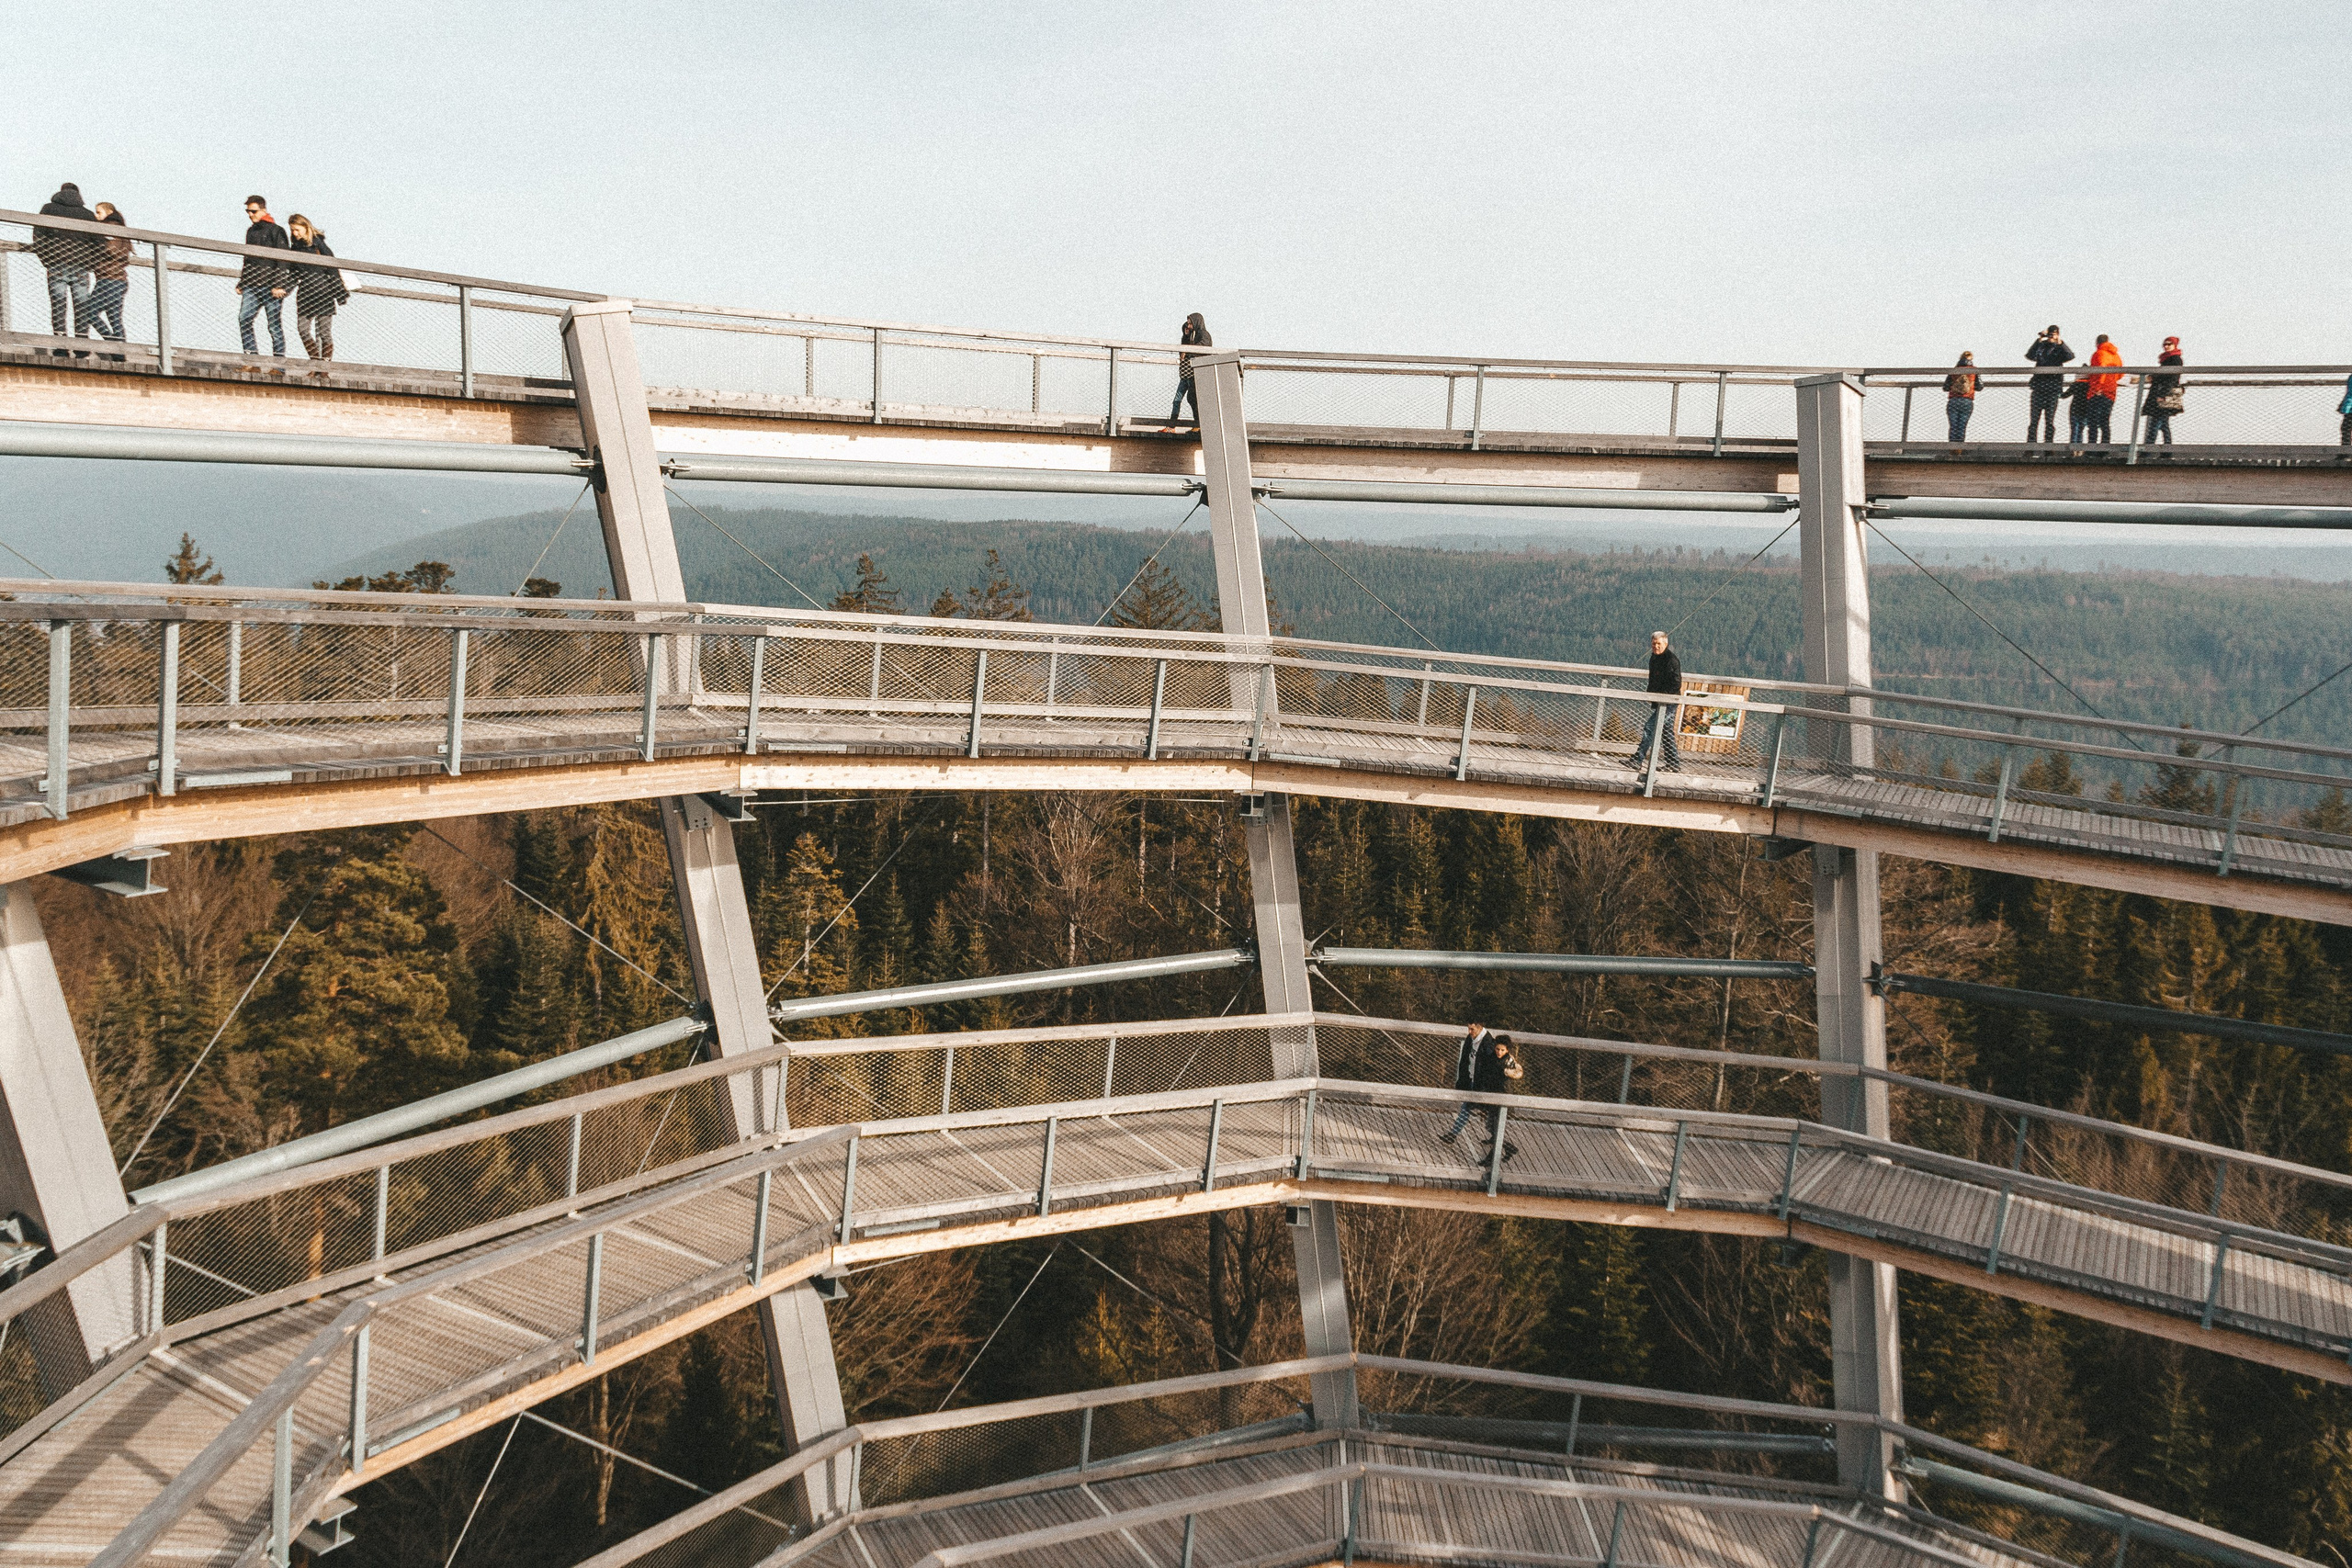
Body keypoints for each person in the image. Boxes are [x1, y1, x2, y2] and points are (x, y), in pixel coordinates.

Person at [31, 182, 99, 355]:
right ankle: (81, 345)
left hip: (57, 264)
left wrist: (47, 259)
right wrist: (90, 263)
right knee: (82, 306)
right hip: (81, 266)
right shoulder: (88, 215)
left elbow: (38, 236)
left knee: (58, 306)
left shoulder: (48, 209)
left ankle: (61, 345)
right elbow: (97, 242)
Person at [287, 214, 350, 372]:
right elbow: (293, 274)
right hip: (306, 293)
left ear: (305, 227)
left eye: (297, 230)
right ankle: (317, 365)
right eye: (292, 230)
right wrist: (284, 289)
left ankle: (323, 369)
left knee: (324, 332)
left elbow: (332, 268)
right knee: (303, 329)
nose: (295, 233)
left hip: (323, 292)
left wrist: (340, 293)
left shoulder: (318, 244)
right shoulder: (294, 248)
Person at [235, 195, 292, 365]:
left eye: (253, 211)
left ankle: (279, 365)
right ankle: (252, 361)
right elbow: (248, 258)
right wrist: (242, 282)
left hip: (271, 286)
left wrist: (280, 285)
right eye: (248, 211)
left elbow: (283, 260)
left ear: (263, 210)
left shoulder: (277, 231)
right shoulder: (251, 231)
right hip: (252, 284)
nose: (250, 214)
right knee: (244, 319)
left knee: (274, 326)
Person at [1628, 630, 1683, 775]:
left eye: (1658, 644)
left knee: (1650, 727)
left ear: (1666, 643)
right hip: (1660, 701)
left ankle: (1637, 759)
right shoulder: (1654, 658)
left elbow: (1676, 684)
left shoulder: (1671, 660)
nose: (1656, 646)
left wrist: (1663, 697)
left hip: (1669, 702)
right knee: (1665, 731)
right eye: (1653, 644)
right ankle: (1674, 763)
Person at [86, 203, 131, 360]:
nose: (96, 216)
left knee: (88, 312)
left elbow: (110, 250)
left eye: (99, 213)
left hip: (109, 279)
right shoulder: (121, 229)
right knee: (115, 319)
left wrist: (96, 245)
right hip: (118, 279)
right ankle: (120, 353)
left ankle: (114, 345)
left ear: (109, 212)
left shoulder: (110, 228)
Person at [1472, 1032, 1523, 1163]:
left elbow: (1519, 1072)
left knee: (1496, 1128)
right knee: (1490, 1126)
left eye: (1502, 1050)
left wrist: (1507, 1072)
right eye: (1497, 1049)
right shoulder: (1492, 1058)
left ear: (1507, 1050)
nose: (1499, 1052)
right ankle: (1509, 1148)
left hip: (1503, 1097)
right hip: (1493, 1097)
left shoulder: (1509, 1061)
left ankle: (1491, 1159)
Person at [1439, 1022, 1491, 1143]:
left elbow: (1488, 1068)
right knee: (1466, 1108)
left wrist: (1484, 1087)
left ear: (1480, 1028)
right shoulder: (1471, 1039)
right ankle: (1453, 1134)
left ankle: (1499, 1140)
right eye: (1468, 1029)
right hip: (1472, 1080)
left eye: (1472, 1029)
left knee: (1488, 1113)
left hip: (1482, 1084)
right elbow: (1464, 1060)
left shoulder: (1488, 1043)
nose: (1469, 1032)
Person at [2024, 326, 2074, 443]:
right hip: (2039, 388)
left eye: (2054, 334)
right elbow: (2030, 355)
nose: (2051, 337)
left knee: (2049, 421)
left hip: (2053, 389)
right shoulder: (2041, 346)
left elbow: (2070, 356)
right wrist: (2039, 340)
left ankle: (2048, 446)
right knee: (2034, 421)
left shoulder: (2059, 349)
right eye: (2050, 334)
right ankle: (2031, 446)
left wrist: (2060, 342)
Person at [2143, 337, 2184, 446]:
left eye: (2169, 344)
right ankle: (2167, 450)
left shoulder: (2174, 359)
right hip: (2162, 393)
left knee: (2155, 424)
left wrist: (2163, 394)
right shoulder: (2169, 359)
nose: (2166, 346)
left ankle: (2148, 449)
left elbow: (2172, 378)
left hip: (2163, 394)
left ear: (2174, 345)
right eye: (2164, 344)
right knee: (2163, 423)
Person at [1170, 312, 1210, 423]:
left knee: (1193, 399)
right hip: (1185, 374)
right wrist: (1186, 336)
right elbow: (1183, 352)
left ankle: (1198, 424)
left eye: (1190, 323)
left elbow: (1203, 347)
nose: (1189, 326)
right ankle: (1172, 425)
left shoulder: (1203, 334)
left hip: (1195, 374)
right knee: (1180, 400)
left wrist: (1187, 350)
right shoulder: (1190, 336)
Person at [2084, 334, 2123, 444]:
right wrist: (2112, 381)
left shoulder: (2099, 353)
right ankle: (2104, 448)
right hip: (2111, 391)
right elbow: (2121, 373)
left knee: (2092, 422)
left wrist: (2098, 387)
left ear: (2097, 343)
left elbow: (2101, 369)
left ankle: (2092, 448)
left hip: (2098, 391)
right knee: (2104, 421)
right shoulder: (2116, 355)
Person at [1943, 352, 1979, 444]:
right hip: (1967, 400)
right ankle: (1959, 448)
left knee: (1953, 426)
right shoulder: (1974, 371)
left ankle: (1952, 447)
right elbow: (1980, 387)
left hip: (1954, 400)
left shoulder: (1954, 370)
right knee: (1962, 426)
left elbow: (1946, 387)